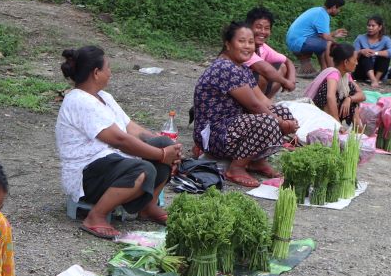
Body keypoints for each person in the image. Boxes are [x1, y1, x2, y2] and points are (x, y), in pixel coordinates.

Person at [55, 45, 182, 239]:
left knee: (163, 143)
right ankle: (96, 216)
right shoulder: (79, 100)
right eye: (108, 68)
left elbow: (131, 128)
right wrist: (161, 155)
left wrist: (164, 146)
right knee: (143, 170)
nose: (110, 72)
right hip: (88, 173)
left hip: (112, 162)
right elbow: (119, 139)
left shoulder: (104, 97)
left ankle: (148, 207)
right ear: (96, 73)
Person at [193, 22, 300, 189]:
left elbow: (262, 100)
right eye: (241, 41)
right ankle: (236, 168)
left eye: (250, 42)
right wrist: (280, 123)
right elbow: (254, 106)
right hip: (213, 133)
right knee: (267, 121)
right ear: (228, 44)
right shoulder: (225, 68)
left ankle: (256, 161)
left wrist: (287, 122)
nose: (247, 46)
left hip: (232, 126)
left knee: (282, 112)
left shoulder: (242, 67)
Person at [285, 0, 348, 73]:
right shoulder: (323, 15)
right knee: (329, 44)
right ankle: (333, 72)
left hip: (294, 40)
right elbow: (326, 38)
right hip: (298, 41)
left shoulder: (318, 10)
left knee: (323, 44)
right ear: (334, 7)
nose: (339, 11)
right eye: (339, 9)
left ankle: (324, 70)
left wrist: (333, 34)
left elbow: (321, 35)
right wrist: (339, 45)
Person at [305, 43, 366, 124]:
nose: (357, 63)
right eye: (355, 60)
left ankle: (357, 129)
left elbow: (362, 95)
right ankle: (333, 123)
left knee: (351, 93)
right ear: (346, 62)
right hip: (320, 112)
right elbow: (330, 96)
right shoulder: (333, 74)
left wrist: (349, 99)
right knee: (329, 89)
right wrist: (337, 122)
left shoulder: (346, 76)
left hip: (336, 111)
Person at [244, 6, 297, 98]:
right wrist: (285, 82)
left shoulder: (263, 48)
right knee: (262, 76)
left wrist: (291, 80)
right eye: (258, 27)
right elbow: (265, 69)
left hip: (252, 90)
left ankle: (266, 101)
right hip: (237, 90)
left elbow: (287, 61)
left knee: (282, 66)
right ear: (248, 27)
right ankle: (257, 107)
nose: (262, 32)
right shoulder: (245, 46)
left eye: (267, 28)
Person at [352, 16, 391, 88]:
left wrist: (375, 53)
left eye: (373, 26)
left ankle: (376, 79)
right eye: (369, 25)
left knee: (385, 56)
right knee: (366, 54)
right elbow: (352, 55)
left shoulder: (386, 39)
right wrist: (361, 51)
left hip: (377, 71)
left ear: (380, 27)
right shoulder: (360, 38)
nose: (370, 28)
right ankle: (373, 80)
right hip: (361, 71)